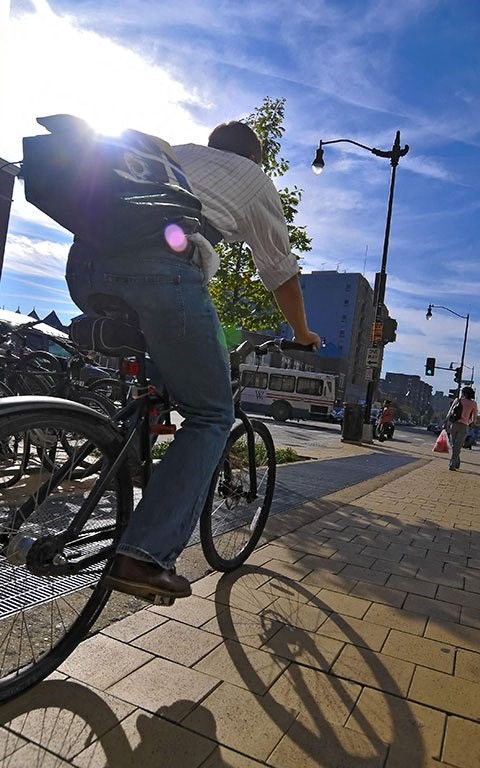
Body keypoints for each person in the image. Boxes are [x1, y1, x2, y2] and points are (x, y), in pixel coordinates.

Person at [65, 120, 321, 602]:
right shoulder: (253, 177)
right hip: (162, 273)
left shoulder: (176, 154)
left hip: (84, 269)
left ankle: (140, 464)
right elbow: (280, 271)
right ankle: (144, 555)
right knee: (211, 414)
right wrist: (303, 334)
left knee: (163, 371)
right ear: (256, 158)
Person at [446, 386, 478, 471]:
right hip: (464, 426)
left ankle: (452, 463)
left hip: (454, 423)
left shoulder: (458, 400)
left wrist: (447, 420)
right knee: (458, 445)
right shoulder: (473, 403)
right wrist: (472, 422)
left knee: (453, 444)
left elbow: (450, 411)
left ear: (464, 393)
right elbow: (475, 416)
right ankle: (456, 461)